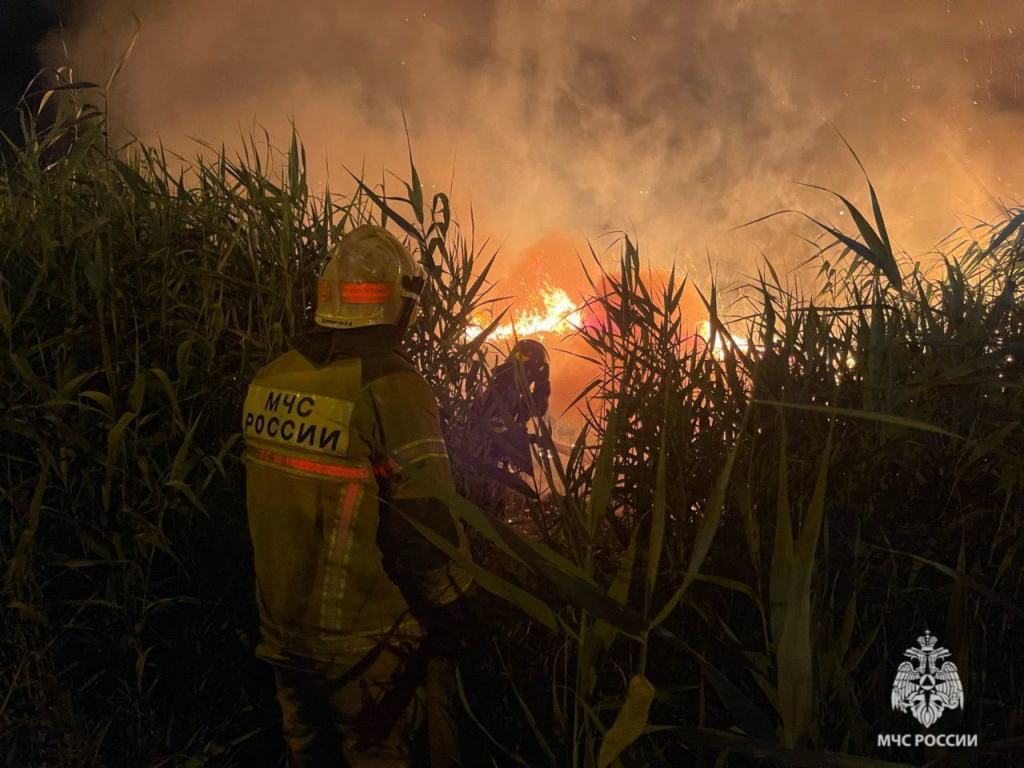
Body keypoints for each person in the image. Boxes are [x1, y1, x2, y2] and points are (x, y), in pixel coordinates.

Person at [241, 225, 472, 767]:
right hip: (365, 650)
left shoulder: (271, 377)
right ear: (402, 303)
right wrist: (457, 613)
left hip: (281, 636)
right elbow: (422, 524)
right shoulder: (392, 386)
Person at [472, 339, 551, 476]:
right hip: (479, 468)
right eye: (534, 375)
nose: (532, 380)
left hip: (483, 464)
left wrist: (542, 384)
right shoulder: (505, 391)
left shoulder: (507, 387)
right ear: (528, 370)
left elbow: (536, 409)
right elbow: (493, 434)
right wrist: (530, 438)